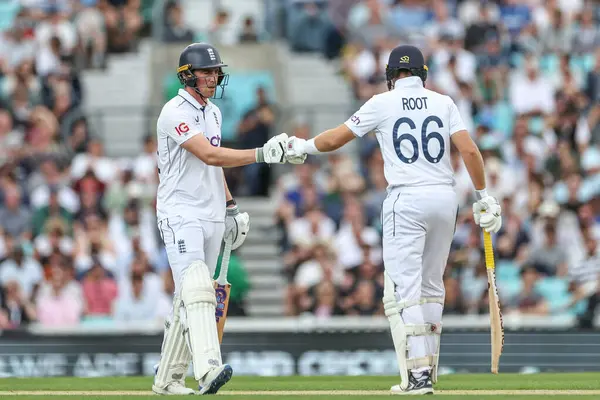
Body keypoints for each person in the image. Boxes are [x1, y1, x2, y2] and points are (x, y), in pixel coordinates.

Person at [284, 45, 502, 395]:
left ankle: (417, 376)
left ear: (390, 76)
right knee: (432, 285)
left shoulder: (381, 103)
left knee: (405, 291)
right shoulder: (443, 102)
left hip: (407, 199)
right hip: (445, 198)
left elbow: (337, 138)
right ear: (423, 73)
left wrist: (303, 146)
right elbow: (470, 151)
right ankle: (428, 369)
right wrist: (484, 195)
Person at [151, 42, 288, 395]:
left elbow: (215, 167)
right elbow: (210, 155)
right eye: (206, 72)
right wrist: (261, 153)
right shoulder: (173, 111)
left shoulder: (213, 112)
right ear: (187, 75)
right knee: (198, 288)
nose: (214, 77)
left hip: (211, 211)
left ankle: (167, 379)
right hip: (181, 211)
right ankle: (208, 367)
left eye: (215, 71)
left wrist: (231, 207)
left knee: (191, 296)